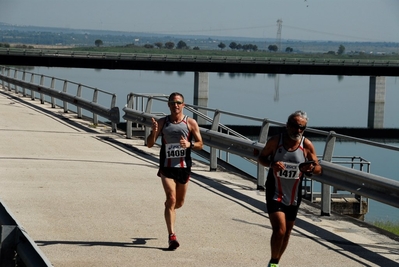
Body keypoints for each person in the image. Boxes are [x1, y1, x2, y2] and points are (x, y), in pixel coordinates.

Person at [258, 110, 322, 267]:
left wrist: (311, 169)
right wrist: (272, 164)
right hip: (275, 191)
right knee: (280, 229)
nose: (298, 131)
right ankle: (273, 263)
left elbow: (318, 167)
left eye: (302, 128)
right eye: (295, 126)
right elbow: (261, 158)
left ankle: (276, 261)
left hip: (294, 193)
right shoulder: (275, 141)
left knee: (287, 232)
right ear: (287, 126)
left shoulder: (306, 145)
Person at [146, 92, 203, 250]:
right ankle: (172, 236)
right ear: (168, 105)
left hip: (184, 168)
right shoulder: (163, 122)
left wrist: (189, 145)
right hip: (167, 168)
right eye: (172, 103)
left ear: (183, 105)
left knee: (179, 203)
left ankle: (169, 209)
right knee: (171, 199)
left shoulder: (190, 123)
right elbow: (149, 144)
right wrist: (153, 132)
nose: (175, 105)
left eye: (178, 103)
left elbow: (200, 144)